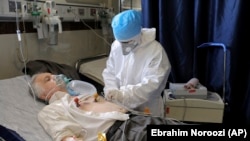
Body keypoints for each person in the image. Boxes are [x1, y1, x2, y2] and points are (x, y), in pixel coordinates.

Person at [30, 73, 184, 141]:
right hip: (122, 133)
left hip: (137, 120)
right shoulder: (50, 110)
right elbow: (62, 133)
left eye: (52, 74)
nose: (55, 76)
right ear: (44, 94)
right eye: (48, 79)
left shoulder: (78, 96)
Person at [102, 9, 171, 117]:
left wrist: (123, 95)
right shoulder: (116, 46)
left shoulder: (155, 50)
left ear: (138, 33)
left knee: (143, 133)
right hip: (120, 107)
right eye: (121, 42)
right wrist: (111, 89)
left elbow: (152, 84)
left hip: (147, 108)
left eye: (128, 42)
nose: (123, 46)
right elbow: (110, 72)